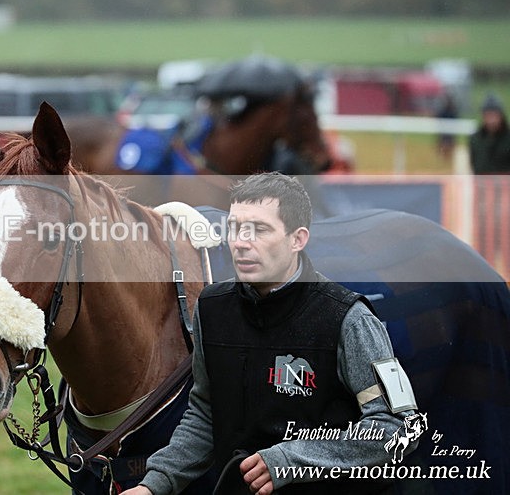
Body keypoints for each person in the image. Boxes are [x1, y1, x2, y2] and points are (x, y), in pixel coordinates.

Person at [122, 172, 419, 495]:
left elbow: (398, 427)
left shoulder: (348, 318)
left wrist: (292, 458)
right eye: (235, 228)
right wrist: (153, 485)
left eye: (259, 230)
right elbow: (205, 415)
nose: (241, 242)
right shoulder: (211, 308)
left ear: (298, 238)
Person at [469, 93, 510, 276]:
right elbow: (475, 166)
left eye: (494, 114)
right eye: (488, 114)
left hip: (505, 199)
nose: (491, 119)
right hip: (484, 199)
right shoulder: (476, 139)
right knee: (485, 242)